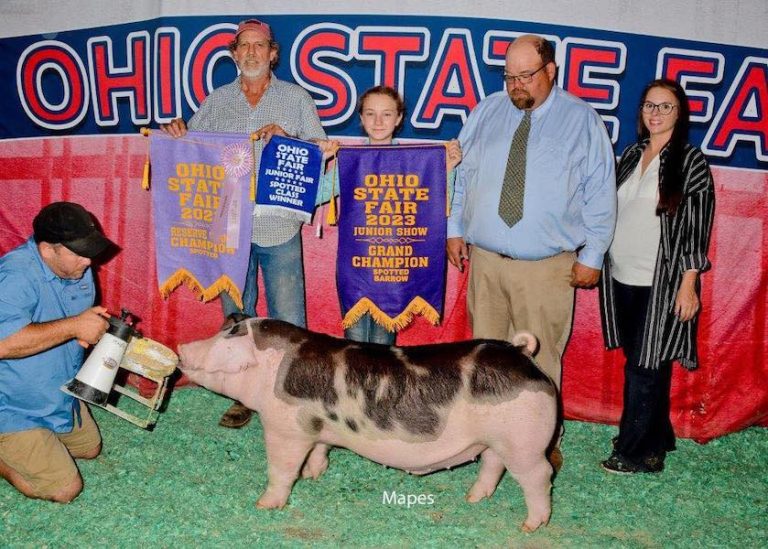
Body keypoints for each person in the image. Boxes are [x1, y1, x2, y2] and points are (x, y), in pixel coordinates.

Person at [446, 34, 616, 468]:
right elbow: (461, 175)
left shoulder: (582, 120)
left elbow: (600, 190)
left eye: (525, 76)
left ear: (551, 71)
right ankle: (485, 438)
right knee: (483, 357)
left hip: (546, 265)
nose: (516, 84)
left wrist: (593, 254)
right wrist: (454, 227)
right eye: (509, 76)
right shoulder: (487, 110)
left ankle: (540, 441)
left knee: (539, 359)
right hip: (485, 260)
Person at [162, 18, 330, 429]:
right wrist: (177, 134)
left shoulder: (295, 99)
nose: (252, 53)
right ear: (234, 55)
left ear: (273, 53)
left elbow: (321, 152)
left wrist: (289, 137)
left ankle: (295, 398)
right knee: (237, 316)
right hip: (228, 229)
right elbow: (194, 151)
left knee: (288, 319)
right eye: (244, 46)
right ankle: (243, 396)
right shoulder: (217, 101)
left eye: (260, 46)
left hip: (280, 227)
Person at [599, 79, 715, 475]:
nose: (656, 113)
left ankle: (634, 452)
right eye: (650, 105)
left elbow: (698, 227)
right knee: (647, 360)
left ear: (679, 113)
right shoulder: (631, 155)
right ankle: (657, 438)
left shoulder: (691, 161)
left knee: (644, 366)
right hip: (621, 275)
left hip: (662, 280)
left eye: (665, 106)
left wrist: (689, 282)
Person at [0, 202, 115, 502]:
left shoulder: (75, 267)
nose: (88, 262)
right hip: (10, 404)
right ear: (48, 249)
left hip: (53, 388)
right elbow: (3, 344)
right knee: (65, 490)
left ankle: (34, 440)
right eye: (78, 252)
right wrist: (75, 326)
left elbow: (75, 326)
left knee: (89, 449)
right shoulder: (15, 277)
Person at [332, 85, 462, 344]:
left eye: (387, 114)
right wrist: (321, 160)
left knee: (383, 347)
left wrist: (448, 169)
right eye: (370, 114)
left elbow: (436, 200)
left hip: (394, 268)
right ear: (361, 118)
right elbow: (318, 195)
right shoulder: (348, 158)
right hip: (358, 267)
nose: (378, 121)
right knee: (353, 344)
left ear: (399, 118)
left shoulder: (417, 160)